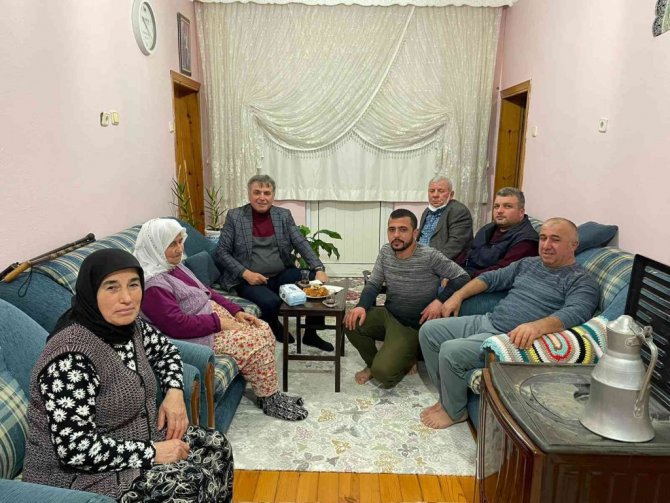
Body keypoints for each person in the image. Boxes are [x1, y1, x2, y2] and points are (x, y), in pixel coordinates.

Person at [23, 249, 233, 502]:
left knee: (216, 446)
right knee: (188, 483)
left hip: (136, 438)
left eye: (133, 285)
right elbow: (75, 450)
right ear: (91, 292)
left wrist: (174, 392)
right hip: (79, 478)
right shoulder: (70, 358)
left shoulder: (131, 328)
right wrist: (153, 452)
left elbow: (166, 351)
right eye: (112, 287)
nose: (126, 298)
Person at [418, 218, 600, 429]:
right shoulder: (528, 264)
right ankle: (447, 397)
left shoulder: (581, 280)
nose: (546, 245)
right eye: (543, 238)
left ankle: (455, 412)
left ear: (573, 245)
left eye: (555, 240)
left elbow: (576, 312)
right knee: (429, 331)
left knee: (451, 351)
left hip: (508, 339)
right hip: (489, 320)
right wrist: (457, 296)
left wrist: (537, 327)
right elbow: (490, 278)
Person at [135, 218, 308, 421]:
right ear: (155, 246)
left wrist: (236, 311)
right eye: (172, 244)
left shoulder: (173, 266)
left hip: (209, 319)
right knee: (255, 342)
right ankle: (270, 400)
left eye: (180, 241)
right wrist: (220, 323)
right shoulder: (153, 286)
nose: (179, 248)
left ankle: (268, 394)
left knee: (262, 328)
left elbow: (206, 290)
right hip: (194, 336)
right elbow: (177, 325)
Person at [344, 209, 470, 388]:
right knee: (350, 321)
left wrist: (439, 301)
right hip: (390, 314)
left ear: (415, 232)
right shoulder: (386, 251)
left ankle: (409, 355)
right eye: (392, 229)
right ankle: (374, 363)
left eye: (403, 229)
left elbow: (462, 276)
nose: (396, 235)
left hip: (414, 325)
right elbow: (373, 284)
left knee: (384, 374)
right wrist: (361, 306)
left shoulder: (430, 255)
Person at [217, 174, 333, 351]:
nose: (262, 197)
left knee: (315, 282)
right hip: (249, 279)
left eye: (267, 193)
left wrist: (318, 268)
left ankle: (311, 333)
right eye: (257, 192)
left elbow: (300, 242)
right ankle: (275, 326)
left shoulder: (283, 215)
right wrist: (245, 273)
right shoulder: (235, 216)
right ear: (249, 194)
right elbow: (222, 252)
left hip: (281, 274)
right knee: (271, 302)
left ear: (273, 195)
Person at [461, 187, 538, 277]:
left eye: (507, 206)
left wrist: (463, 277)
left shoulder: (526, 241)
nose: (499, 211)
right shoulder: (488, 228)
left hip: (484, 281)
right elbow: (468, 253)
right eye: (496, 206)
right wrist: (454, 271)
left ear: (521, 212)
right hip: (466, 273)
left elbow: (501, 272)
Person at [418, 175, 473, 261]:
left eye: (441, 191)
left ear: (451, 194)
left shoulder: (458, 211)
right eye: (432, 191)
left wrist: (431, 262)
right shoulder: (427, 211)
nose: (435, 195)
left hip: (441, 262)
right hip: (420, 258)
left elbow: (454, 246)